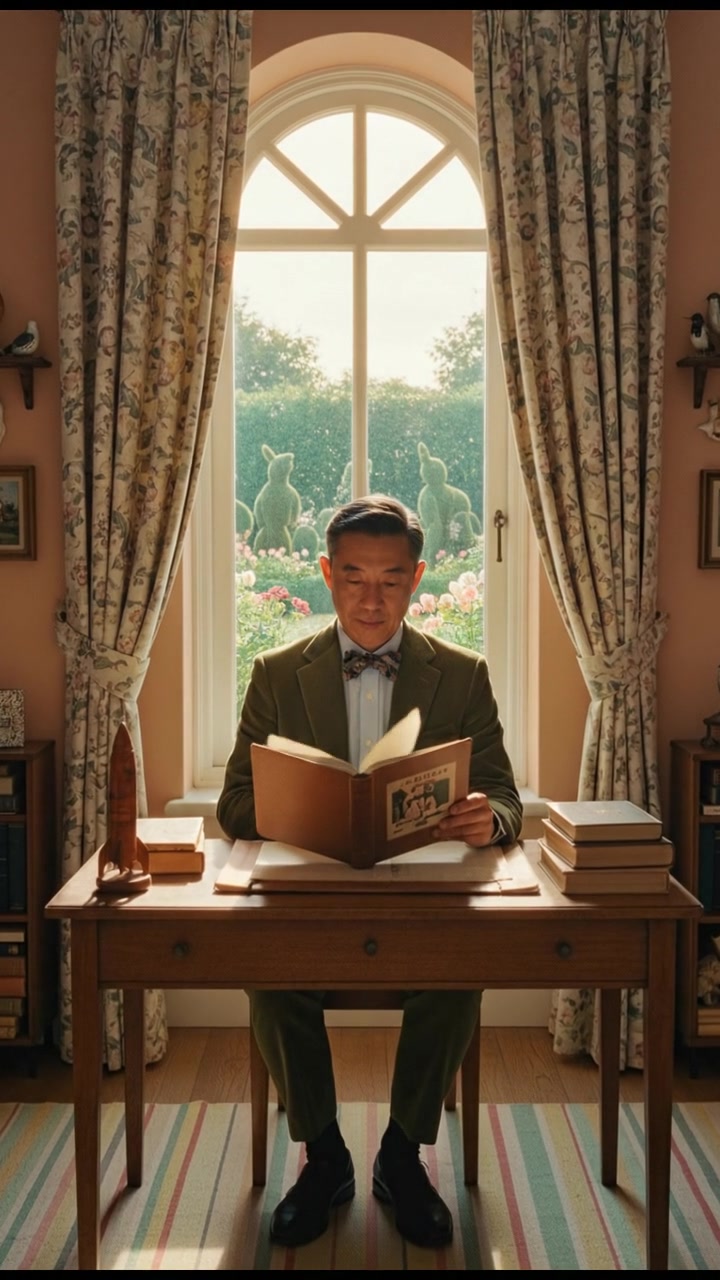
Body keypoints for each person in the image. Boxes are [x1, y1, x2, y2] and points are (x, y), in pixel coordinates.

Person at [217, 494, 522, 1250]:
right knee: (269, 974)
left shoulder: (464, 675)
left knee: (460, 974)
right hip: (312, 899)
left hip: (420, 900)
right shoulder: (276, 673)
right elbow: (233, 802)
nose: (371, 598)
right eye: (354, 578)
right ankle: (324, 1159)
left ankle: (400, 1156)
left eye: (390, 579)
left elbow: (507, 798)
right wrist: (296, 809)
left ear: (417, 578)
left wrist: (491, 818)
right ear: (326, 574)